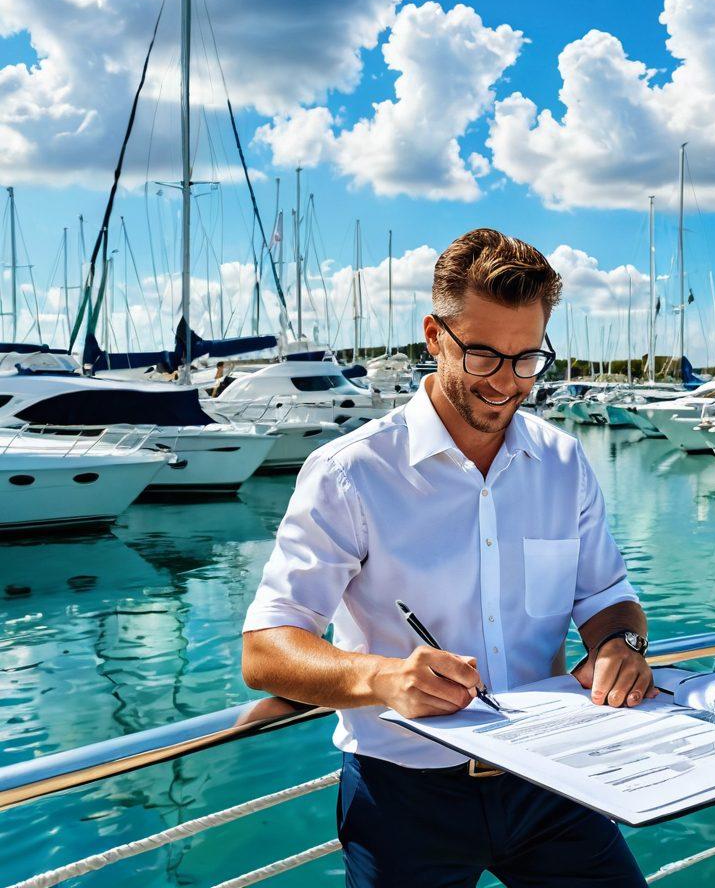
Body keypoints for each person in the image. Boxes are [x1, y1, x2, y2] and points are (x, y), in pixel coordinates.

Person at [242, 228, 655, 887]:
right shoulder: (349, 472)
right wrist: (383, 678)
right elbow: (266, 651)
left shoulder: (563, 461)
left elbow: (607, 599)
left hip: (552, 777)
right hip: (402, 797)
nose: (508, 381)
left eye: (528, 358)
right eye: (484, 355)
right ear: (434, 337)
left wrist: (620, 646)